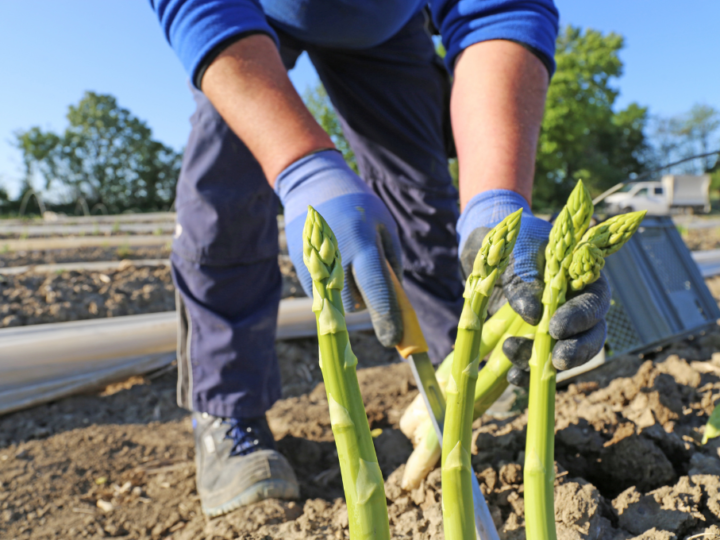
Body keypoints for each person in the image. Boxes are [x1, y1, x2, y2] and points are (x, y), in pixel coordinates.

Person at [150, 0, 611, 518]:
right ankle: (227, 410)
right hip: (245, 16)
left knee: (420, 199)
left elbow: (499, 11)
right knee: (224, 195)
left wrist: (498, 203)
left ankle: (459, 371)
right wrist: (303, 168)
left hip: (388, 26)